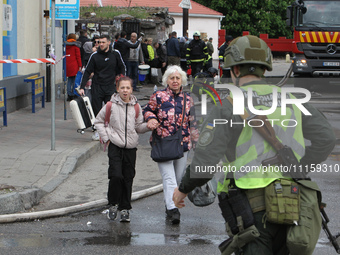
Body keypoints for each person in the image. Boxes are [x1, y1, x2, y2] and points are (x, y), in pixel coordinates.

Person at [173, 35, 336, 254]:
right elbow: (326, 138)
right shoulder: (293, 100)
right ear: (265, 68)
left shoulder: (227, 107)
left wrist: (183, 189)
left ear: (236, 71)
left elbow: (206, 163)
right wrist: (301, 165)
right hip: (293, 204)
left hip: (251, 210)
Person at [143, 65, 199, 224]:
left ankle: (169, 204)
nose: (175, 81)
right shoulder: (158, 96)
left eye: (178, 78)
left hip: (182, 144)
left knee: (178, 178)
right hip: (162, 143)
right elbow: (147, 110)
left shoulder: (188, 99)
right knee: (169, 178)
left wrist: (196, 142)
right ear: (166, 80)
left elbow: (193, 122)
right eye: (172, 78)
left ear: (183, 80)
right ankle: (173, 209)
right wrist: (151, 119)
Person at [94, 76, 150, 222]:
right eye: (122, 87)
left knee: (128, 178)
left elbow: (138, 127)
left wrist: (148, 127)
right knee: (116, 176)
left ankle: (125, 208)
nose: (125, 90)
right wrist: (106, 138)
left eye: (128, 88)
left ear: (132, 90)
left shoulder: (136, 107)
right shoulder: (110, 106)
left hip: (131, 147)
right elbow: (98, 121)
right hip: (115, 145)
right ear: (117, 89)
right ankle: (113, 204)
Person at [79, 34, 126, 141]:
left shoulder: (115, 54)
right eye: (99, 42)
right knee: (97, 109)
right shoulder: (94, 56)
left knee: (111, 109)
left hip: (110, 86)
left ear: (109, 42)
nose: (101, 44)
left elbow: (122, 67)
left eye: (103, 42)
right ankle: (97, 130)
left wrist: (122, 80)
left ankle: (110, 130)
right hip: (97, 86)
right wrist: (82, 87)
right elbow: (87, 72)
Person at [65, 33, 82, 101]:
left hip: (67, 65)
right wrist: (80, 65)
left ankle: (69, 94)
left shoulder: (65, 45)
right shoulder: (76, 46)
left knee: (69, 80)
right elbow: (78, 57)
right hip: (74, 65)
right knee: (75, 80)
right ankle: (74, 93)